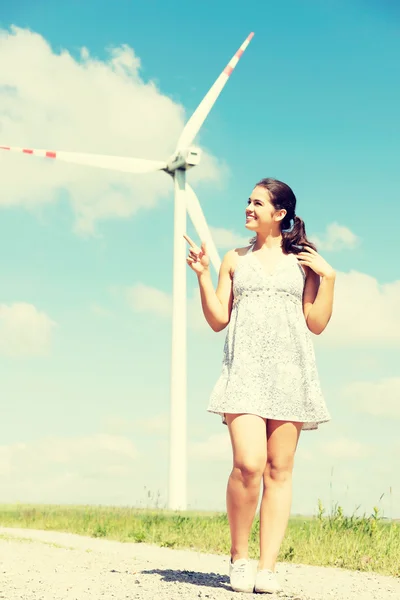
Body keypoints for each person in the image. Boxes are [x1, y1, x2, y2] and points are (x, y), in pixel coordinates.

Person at [185, 178, 335, 594]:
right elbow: (218, 319)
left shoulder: (305, 261)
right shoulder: (234, 258)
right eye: (247, 201)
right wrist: (201, 275)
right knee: (248, 465)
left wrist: (330, 279)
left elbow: (316, 324)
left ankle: (267, 568)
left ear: (279, 213)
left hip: (291, 374)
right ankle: (239, 557)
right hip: (245, 373)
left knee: (278, 471)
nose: (248, 207)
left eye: (257, 202)